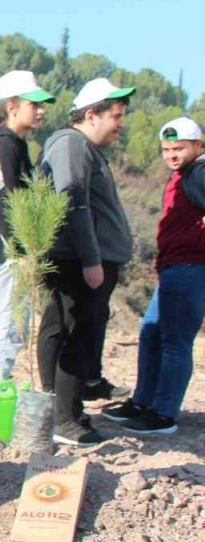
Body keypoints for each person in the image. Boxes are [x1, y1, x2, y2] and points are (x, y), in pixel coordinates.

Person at [37, 78, 135, 446]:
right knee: (74, 336)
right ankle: (64, 420)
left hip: (86, 260)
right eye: (116, 115)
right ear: (91, 114)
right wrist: (92, 260)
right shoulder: (71, 144)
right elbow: (73, 201)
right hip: (79, 262)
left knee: (77, 334)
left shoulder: (82, 147)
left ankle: (66, 412)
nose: (120, 123)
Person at [0, 71, 56, 424]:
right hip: (7, 250)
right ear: (12, 106)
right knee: (9, 327)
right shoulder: (4, 145)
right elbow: (7, 202)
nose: (42, 110)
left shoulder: (5, 143)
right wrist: (23, 248)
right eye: (35, 104)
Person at [102, 117, 205, 435]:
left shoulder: (200, 172)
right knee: (151, 335)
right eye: (166, 149)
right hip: (174, 268)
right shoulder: (184, 174)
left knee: (174, 343)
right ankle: (143, 403)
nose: (172, 154)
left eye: (179, 148)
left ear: (198, 146)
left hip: (191, 269)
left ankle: (163, 415)